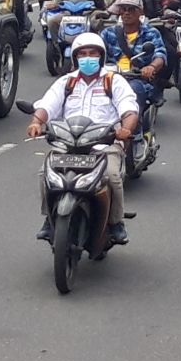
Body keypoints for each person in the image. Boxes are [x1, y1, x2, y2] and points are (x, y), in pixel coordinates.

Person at [27, 32, 139, 244]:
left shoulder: (113, 81)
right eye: (83, 54)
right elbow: (46, 105)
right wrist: (36, 122)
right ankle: (49, 221)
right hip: (68, 145)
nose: (88, 58)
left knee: (112, 176)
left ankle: (116, 223)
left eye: (93, 53)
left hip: (103, 146)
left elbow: (129, 109)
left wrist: (125, 129)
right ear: (76, 57)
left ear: (101, 56)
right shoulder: (66, 82)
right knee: (45, 174)